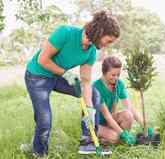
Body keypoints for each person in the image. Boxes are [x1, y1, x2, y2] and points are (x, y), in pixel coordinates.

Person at [23, 10, 120, 158]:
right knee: (44, 119)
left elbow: (86, 83)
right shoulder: (65, 33)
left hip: (57, 75)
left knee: (94, 94)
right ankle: (39, 153)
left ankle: (88, 141)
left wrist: (89, 109)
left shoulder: (91, 52)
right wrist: (65, 73)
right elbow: (42, 60)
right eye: (109, 40)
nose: (108, 45)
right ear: (100, 32)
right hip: (37, 75)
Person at [92, 56, 153, 145]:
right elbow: (107, 116)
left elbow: (129, 107)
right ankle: (100, 139)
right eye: (113, 75)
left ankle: (118, 140)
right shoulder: (96, 88)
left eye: (118, 75)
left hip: (110, 121)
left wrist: (145, 126)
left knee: (128, 115)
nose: (116, 78)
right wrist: (122, 134)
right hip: (97, 124)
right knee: (116, 137)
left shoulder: (119, 84)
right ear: (104, 72)